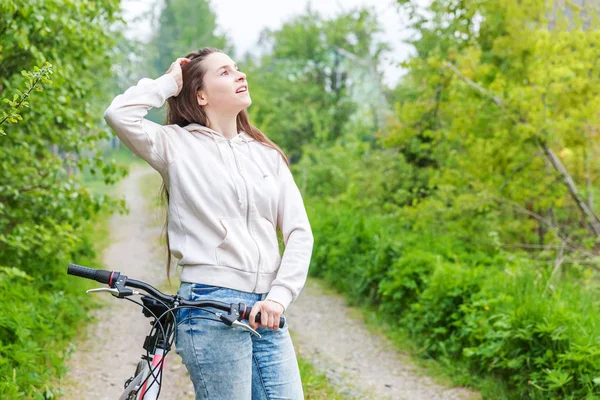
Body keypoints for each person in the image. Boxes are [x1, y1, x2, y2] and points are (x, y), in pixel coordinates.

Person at [103, 47, 314, 399]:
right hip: (209, 307)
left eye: (238, 68)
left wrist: (278, 298)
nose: (240, 75)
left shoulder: (267, 155)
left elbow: (299, 233)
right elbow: (119, 114)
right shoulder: (175, 146)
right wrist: (168, 83)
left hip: (268, 312)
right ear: (200, 95)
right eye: (225, 72)